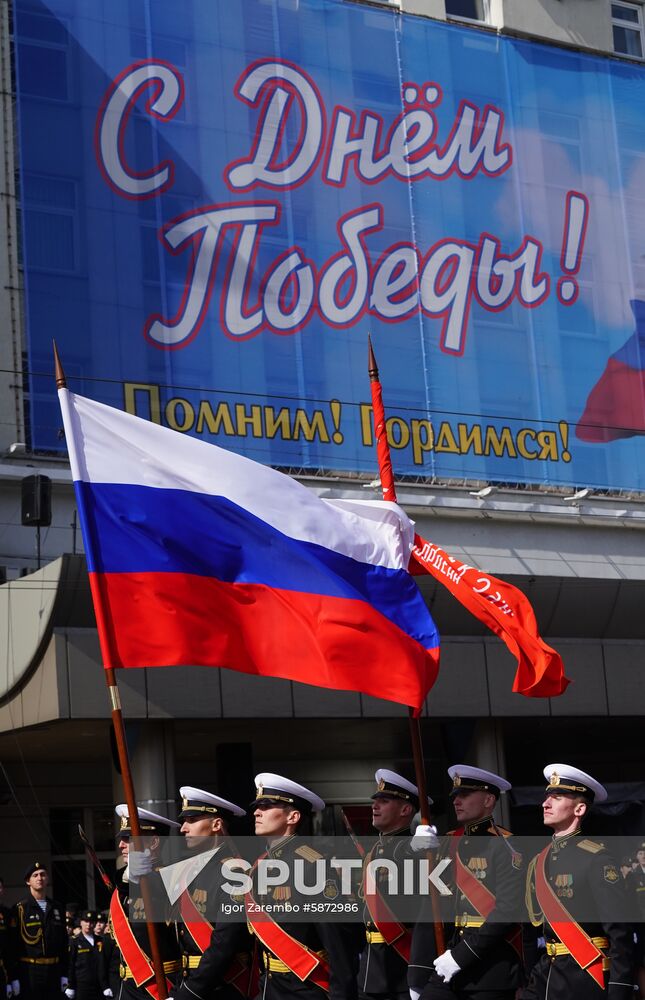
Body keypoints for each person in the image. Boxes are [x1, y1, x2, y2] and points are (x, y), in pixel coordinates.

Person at [521, 763, 634, 999]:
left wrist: (620, 989)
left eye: (557, 797)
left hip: (583, 978)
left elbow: (619, 931)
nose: (545, 803)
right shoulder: (538, 861)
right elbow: (530, 931)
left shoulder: (597, 859)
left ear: (579, 809)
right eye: (546, 797)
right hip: (543, 977)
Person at [246, 772, 356, 1000]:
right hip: (268, 988)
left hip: (304, 990)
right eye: (257, 806)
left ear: (293, 817)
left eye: (266, 806)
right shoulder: (260, 865)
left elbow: (338, 944)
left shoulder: (311, 866)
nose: (257, 812)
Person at [416, 764, 523, 1000]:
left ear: (488, 800)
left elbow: (507, 912)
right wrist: (414, 854)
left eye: (464, 795)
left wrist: (459, 957)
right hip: (449, 960)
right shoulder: (448, 843)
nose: (456, 801)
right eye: (455, 796)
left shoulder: (507, 846)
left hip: (489, 968)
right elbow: (427, 892)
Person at [358, 769, 435, 1000]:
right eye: (375, 801)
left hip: (403, 966)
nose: (375, 806)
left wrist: (416, 847)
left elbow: (403, 855)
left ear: (405, 809)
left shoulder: (419, 849)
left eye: (384, 801)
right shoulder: (373, 852)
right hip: (371, 969)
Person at [172, 785, 254, 1000]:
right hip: (191, 982)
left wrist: (190, 992)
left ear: (216, 824)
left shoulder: (235, 871)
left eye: (191, 820)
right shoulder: (189, 869)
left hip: (223, 987)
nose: (183, 829)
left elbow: (225, 941)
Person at [108, 804, 182, 1000]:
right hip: (126, 987)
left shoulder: (173, 879)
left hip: (159, 986)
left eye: (129, 838)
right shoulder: (125, 884)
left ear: (155, 842)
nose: (121, 845)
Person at [10, 861, 68, 1000]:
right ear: (28, 881)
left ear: (47, 878)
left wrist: (65, 973)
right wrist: (14, 977)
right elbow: (12, 946)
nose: (39, 878)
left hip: (54, 969)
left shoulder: (57, 907)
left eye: (43, 874)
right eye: (35, 875)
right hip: (30, 970)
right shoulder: (20, 909)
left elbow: (64, 943)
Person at [66, 910, 103, 1000]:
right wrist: (70, 986)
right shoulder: (74, 941)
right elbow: (70, 965)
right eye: (86, 921)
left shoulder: (100, 940)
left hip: (98, 985)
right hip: (81, 985)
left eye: (91, 922)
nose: (88, 925)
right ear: (81, 923)